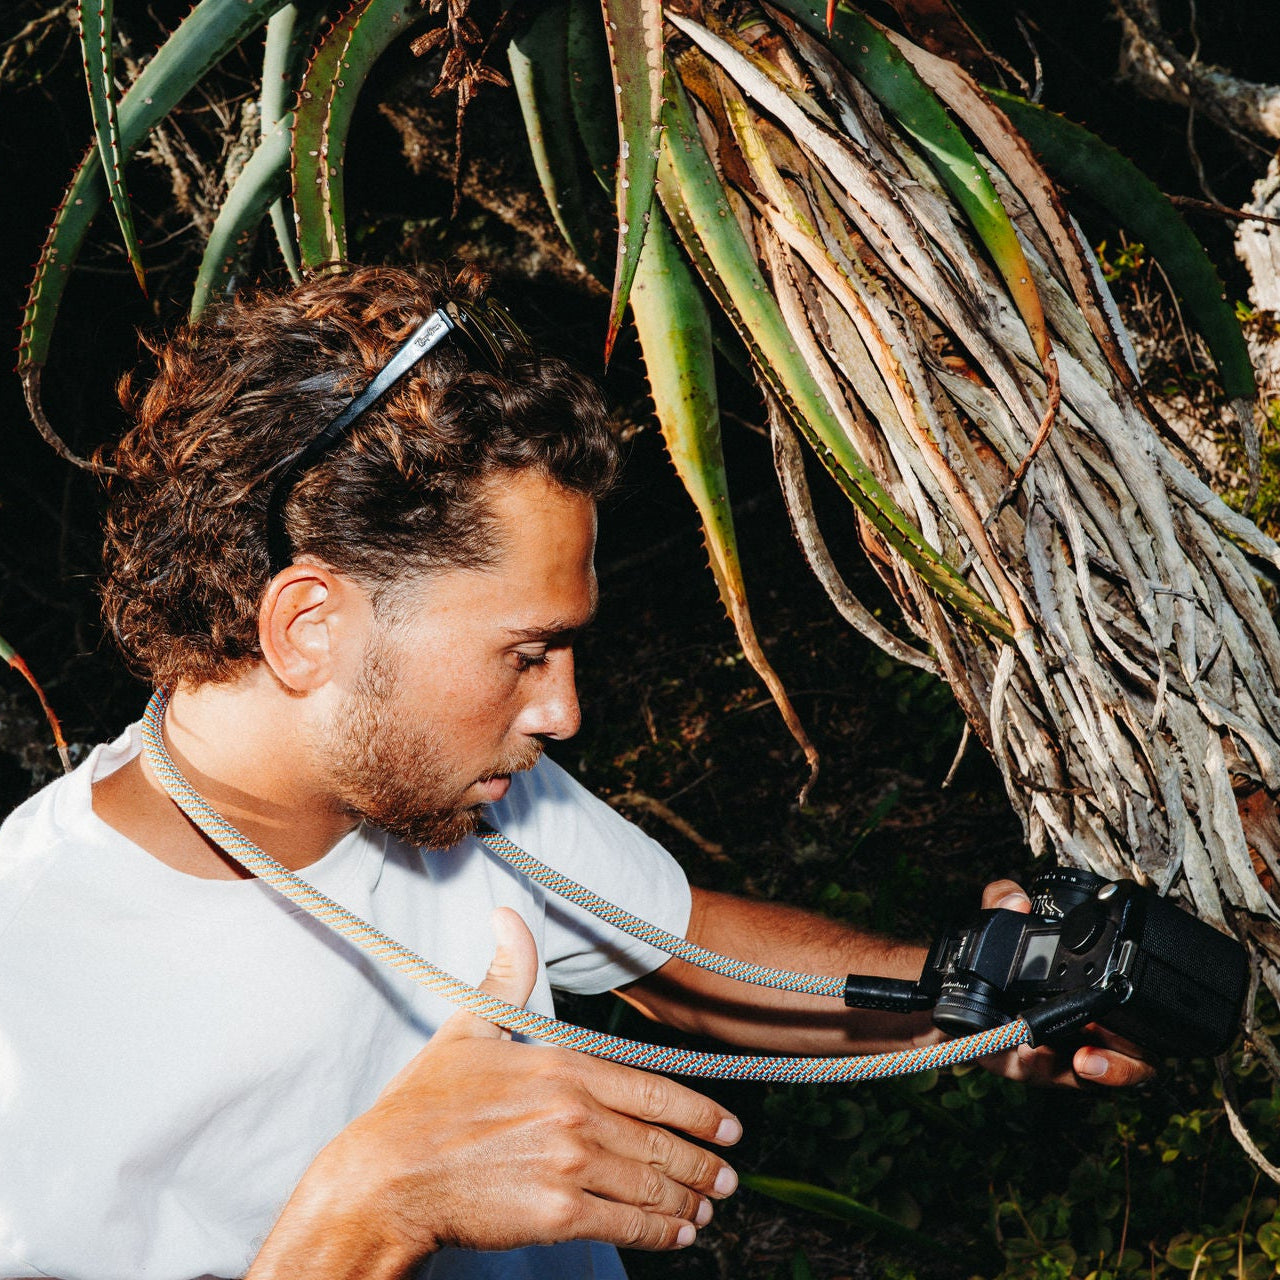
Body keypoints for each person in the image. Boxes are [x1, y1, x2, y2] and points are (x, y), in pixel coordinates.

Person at [0, 263, 1151, 1280]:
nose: (560, 710)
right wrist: (372, 1207)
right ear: (309, 626)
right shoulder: (31, 980)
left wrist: (978, 990)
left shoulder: (449, 784)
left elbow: (681, 950)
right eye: (523, 651)